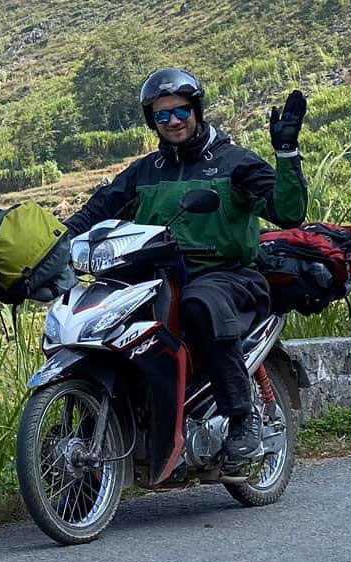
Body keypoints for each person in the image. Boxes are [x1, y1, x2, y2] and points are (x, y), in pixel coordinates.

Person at [62, 68, 308, 478]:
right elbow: (98, 210)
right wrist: (60, 239)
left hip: (225, 275)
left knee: (199, 303)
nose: (173, 121)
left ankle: (241, 418)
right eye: (162, 116)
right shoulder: (145, 171)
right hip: (154, 278)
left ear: (196, 110)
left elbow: (288, 212)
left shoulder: (234, 162)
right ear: (152, 122)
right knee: (101, 319)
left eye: (180, 111)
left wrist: (286, 153)